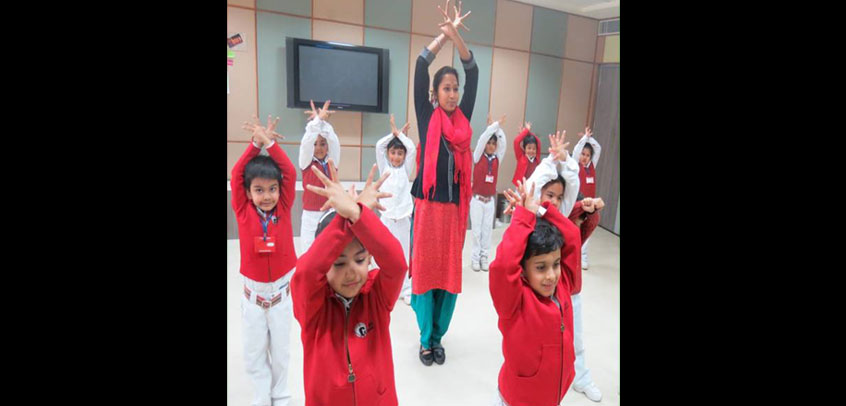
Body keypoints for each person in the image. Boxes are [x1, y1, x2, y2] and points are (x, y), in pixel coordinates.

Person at [291, 163, 407, 406]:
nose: (352, 272)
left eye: (360, 259)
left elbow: (397, 265)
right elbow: (305, 273)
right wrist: (349, 216)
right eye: (339, 263)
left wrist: (358, 214)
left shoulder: (376, 296)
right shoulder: (312, 306)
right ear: (325, 264)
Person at [408, 0, 476, 366]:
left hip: (452, 216)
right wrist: (443, 37)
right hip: (428, 211)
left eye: (456, 89)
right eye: (446, 88)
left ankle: (438, 336)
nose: (452, 94)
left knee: (447, 280)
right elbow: (421, 65)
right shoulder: (426, 116)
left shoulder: (463, 125)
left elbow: (474, 71)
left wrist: (459, 43)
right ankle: (423, 338)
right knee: (424, 277)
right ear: (435, 93)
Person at [489, 179, 582, 406]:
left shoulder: (563, 285)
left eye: (556, 264)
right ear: (522, 270)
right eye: (540, 267)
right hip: (519, 400)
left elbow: (572, 237)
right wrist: (523, 218)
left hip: (553, 396)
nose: (551, 275)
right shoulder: (514, 301)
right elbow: (503, 266)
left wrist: (540, 210)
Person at [233, 115, 298, 406]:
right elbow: (236, 173)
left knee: (282, 354)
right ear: (248, 193)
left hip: (282, 298)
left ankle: (281, 397)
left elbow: (289, 172)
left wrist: (269, 144)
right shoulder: (242, 211)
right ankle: (262, 397)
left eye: (272, 189)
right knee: (254, 355)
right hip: (253, 299)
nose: (267, 196)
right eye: (259, 190)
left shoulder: (284, 206)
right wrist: (253, 145)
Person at [374, 114, 416, 305]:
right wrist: (393, 134)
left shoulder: (406, 169)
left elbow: (412, 149)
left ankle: (406, 290)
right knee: (384, 253)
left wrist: (400, 135)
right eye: (393, 153)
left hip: (403, 219)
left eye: (399, 153)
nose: (396, 157)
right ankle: (384, 287)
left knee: (404, 254)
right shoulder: (384, 166)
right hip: (386, 219)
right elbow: (379, 146)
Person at [298, 99, 340, 253]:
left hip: (330, 212)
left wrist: (322, 123)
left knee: (329, 252)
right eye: (315, 144)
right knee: (308, 253)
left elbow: (334, 140)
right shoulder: (306, 162)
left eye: (323, 143)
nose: (319, 148)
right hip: (310, 214)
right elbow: (307, 142)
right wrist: (317, 122)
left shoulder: (332, 161)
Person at [470, 113, 507, 272]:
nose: (491, 146)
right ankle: (475, 258)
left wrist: (498, 128)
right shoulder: (477, 156)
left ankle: (485, 256)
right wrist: (492, 126)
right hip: (477, 201)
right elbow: (481, 140)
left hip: (490, 201)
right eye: (489, 143)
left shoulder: (498, 158)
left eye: (494, 143)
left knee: (487, 231)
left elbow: (503, 142)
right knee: (476, 231)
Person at [571, 127, 601, 270]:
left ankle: (583, 257)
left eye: (588, 155)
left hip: (590, 205)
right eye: (583, 154)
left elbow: (598, 148)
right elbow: (576, 151)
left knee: (587, 231)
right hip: (578, 203)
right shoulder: (575, 166)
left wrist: (589, 139)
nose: (584, 157)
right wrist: (583, 140)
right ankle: (573, 255)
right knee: (576, 229)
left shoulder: (592, 166)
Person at [511, 121, 541, 187]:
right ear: (524, 148)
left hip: (532, 185)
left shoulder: (537, 158)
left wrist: (527, 132)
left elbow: (538, 141)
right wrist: (526, 131)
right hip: (520, 186)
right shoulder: (521, 156)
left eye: (534, 148)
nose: (531, 151)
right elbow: (516, 141)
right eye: (529, 148)